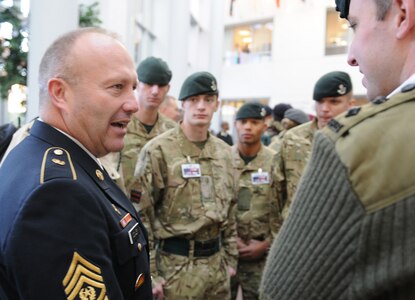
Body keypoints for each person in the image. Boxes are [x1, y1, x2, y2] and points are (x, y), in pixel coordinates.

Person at [260, 0, 415, 298]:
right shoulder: (294, 143)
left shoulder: (355, 147)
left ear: (403, 15)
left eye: (354, 26)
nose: (351, 56)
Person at [0, 28, 152, 299]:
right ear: (60, 93)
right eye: (117, 87)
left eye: (133, 88)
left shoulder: (39, 152)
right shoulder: (58, 195)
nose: (133, 104)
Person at [135, 71, 238, 300]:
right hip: (175, 268)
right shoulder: (158, 150)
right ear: (183, 104)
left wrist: (231, 259)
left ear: (216, 104)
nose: (201, 106)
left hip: (217, 267)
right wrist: (151, 273)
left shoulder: (225, 153)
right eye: (194, 100)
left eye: (208, 100)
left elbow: (231, 208)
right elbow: (142, 216)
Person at [279, 71, 354, 218]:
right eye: (320, 101)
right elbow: (276, 191)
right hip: (296, 229)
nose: (325, 109)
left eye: (334, 101)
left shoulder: (359, 138)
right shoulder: (293, 139)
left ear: (350, 105)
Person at [231, 102, 283, 300]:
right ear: (236, 125)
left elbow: (283, 207)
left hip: (263, 255)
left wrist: (266, 245)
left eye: (254, 122)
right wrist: (230, 240)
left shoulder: (275, 161)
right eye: (243, 122)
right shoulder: (222, 159)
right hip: (227, 254)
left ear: (264, 125)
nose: (247, 127)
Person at [120, 56, 176, 200]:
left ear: (168, 88)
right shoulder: (118, 124)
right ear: (137, 85)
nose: (155, 91)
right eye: (149, 84)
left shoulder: (173, 133)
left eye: (161, 85)